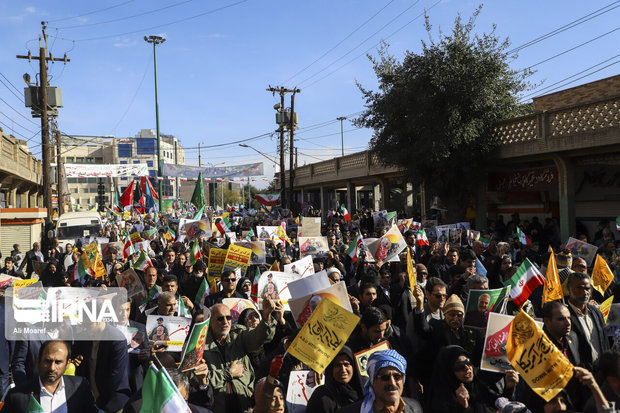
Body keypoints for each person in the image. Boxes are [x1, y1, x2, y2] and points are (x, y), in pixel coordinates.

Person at [202, 297, 278, 412]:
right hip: (217, 407)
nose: (225, 322)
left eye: (228, 318)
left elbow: (259, 336)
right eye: (220, 319)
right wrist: (228, 373)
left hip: (244, 405)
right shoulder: (200, 345)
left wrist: (266, 317)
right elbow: (197, 379)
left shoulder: (238, 336)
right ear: (210, 321)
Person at [3, 340, 98, 412]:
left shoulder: (80, 388)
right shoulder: (17, 396)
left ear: (67, 363)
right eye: (48, 361)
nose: (52, 368)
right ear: (38, 361)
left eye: (58, 362)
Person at [429, 345, 518, 413]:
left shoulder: (479, 386)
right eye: (459, 366)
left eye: (468, 362)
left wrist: (509, 388)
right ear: (448, 371)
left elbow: (500, 405)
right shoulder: (441, 400)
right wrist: (463, 406)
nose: (467, 368)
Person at [336, 349, 422, 413]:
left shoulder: (415, 408)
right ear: (373, 381)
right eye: (385, 377)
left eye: (397, 376)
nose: (392, 382)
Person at [566, 271, 609, 371]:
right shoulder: (564, 316)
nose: (584, 292)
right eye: (579, 288)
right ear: (569, 288)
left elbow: (604, 341)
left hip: (602, 373)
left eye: (587, 288)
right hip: (580, 375)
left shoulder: (596, 312)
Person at [306, 346, 364, 413]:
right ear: (331, 369)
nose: (343, 370)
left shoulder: (364, 390)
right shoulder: (322, 396)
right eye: (338, 365)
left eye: (346, 364)